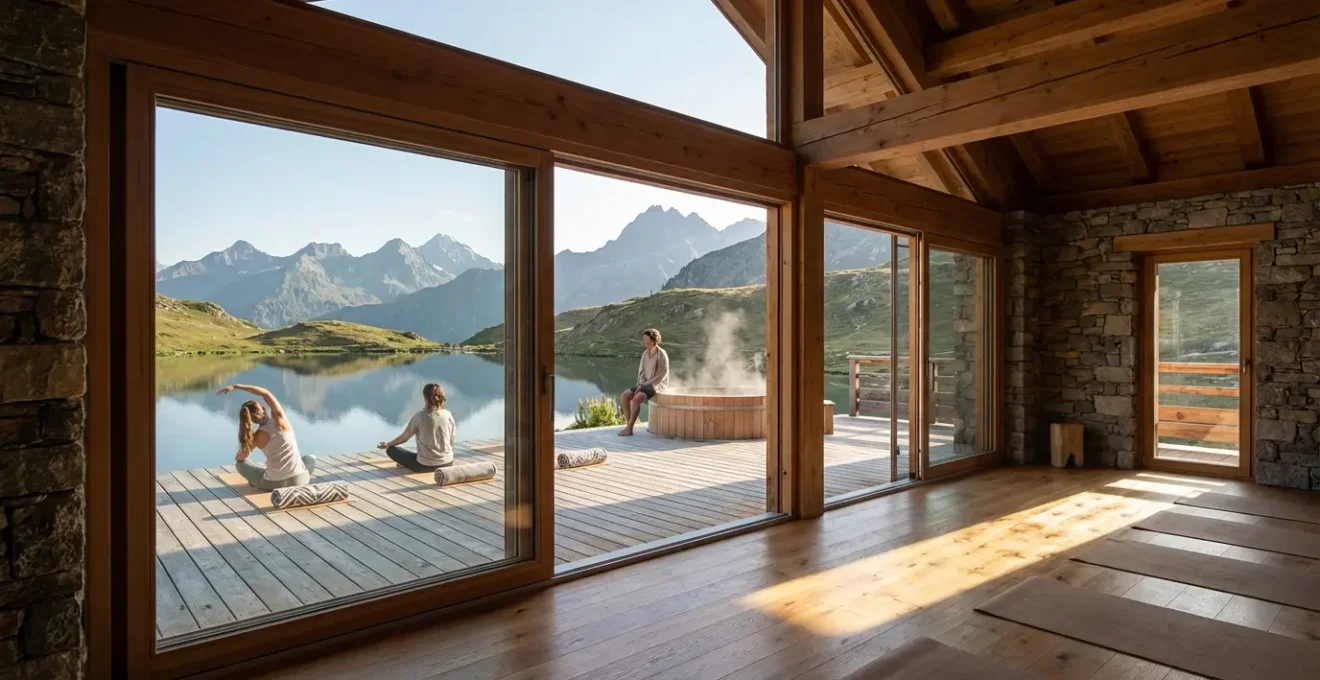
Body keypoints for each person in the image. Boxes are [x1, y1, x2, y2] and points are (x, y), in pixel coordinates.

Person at [216, 383, 317, 491]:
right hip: (300, 480)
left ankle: (258, 479)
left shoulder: (255, 437)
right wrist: (237, 386)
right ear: (263, 408)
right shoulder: (280, 418)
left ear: (250, 419)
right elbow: (265, 393)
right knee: (310, 458)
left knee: (240, 465)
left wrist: (247, 437)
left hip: (273, 484)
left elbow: (240, 458)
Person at [378, 382, 457, 473]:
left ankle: (406, 463)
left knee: (391, 450)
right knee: (418, 456)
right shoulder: (448, 415)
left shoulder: (419, 417)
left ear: (425, 398)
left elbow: (404, 437)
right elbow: (451, 441)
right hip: (447, 463)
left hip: (425, 466)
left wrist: (388, 444)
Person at [620, 328, 669, 436]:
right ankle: (629, 424)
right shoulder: (645, 354)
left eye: (646, 339)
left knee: (637, 398)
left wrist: (643, 386)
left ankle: (629, 429)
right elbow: (641, 372)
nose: (644, 341)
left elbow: (661, 376)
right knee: (625, 395)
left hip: (657, 385)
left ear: (653, 340)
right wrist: (641, 384)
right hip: (644, 384)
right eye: (644, 339)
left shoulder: (662, 355)